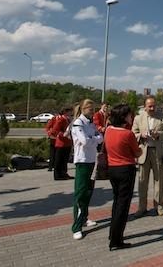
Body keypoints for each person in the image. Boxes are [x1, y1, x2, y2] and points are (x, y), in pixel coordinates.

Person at [105, 104, 142, 251]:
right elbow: (137, 153)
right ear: (123, 117)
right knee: (123, 205)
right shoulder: (127, 134)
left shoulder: (108, 130)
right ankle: (116, 239)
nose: (131, 117)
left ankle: (112, 233)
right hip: (126, 169)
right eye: (129, 115)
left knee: (116, 202)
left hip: (112, 168)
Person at [71, 99, 103, 240]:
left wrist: (93, 138)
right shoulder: (78, 123)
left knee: (89, 192)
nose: (92, 111)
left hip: (91, 160)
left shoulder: (91, 124)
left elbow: (100, 138)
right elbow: (84, 141)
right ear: (84, 109)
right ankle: (76, 227)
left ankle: (84, 217)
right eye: (90, 109)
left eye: (93, 109)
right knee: (80, 193)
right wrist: (93, 139)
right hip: (82, 161)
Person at [133, 96, 163, 217]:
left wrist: (158, 134)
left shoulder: (162, 117)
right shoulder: (138, 118)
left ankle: (159, 205)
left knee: (158, 180)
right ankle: (142, 207)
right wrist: (140, 135)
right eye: (150, 106)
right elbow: (133, 133)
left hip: (158, 152)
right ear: (145, 106)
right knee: (142, 181)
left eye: (154, 106)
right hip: (143, 152)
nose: (152, 108)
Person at [50, 107, 73, 180]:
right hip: (61, 143)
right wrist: (63, 135)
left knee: (64, 160)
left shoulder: (68, 119)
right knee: (59, 160)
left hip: (67, 142)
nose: (71, 113)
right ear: (66, 112)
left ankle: (64, 173)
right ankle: (57, 175)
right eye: (70, 111)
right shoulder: (61, 119)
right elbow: (55, 130)